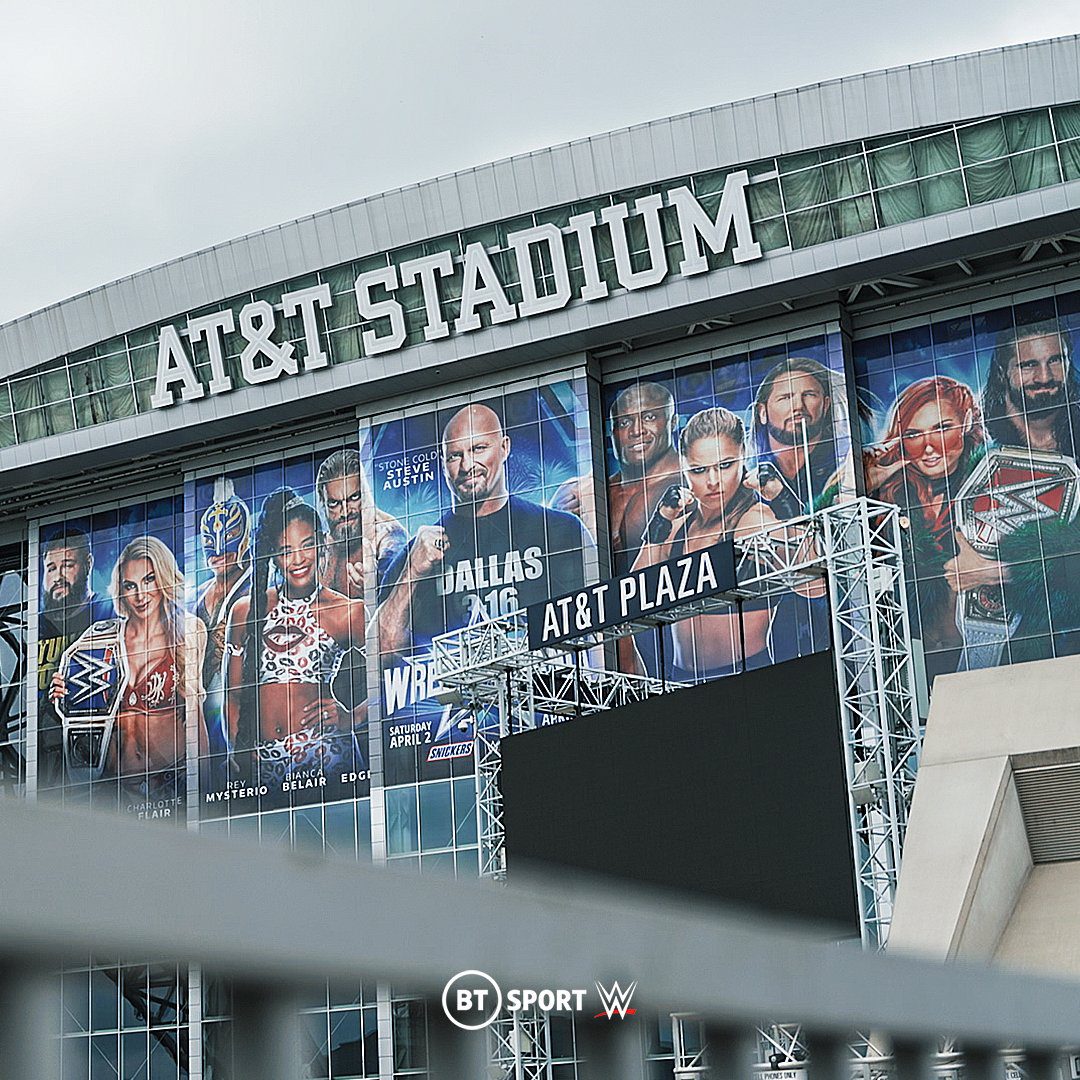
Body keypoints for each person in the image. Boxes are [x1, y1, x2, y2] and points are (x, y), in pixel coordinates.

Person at [375, 403, 595, 656]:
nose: (467, 465)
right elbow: (380, 655)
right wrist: (412, 572)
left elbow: (601, 629)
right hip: (454, 695)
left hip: (550, 689)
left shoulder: (560, 529)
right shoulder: (415, 555)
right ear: (443, 461)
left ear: (504, 447)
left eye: (478, 448)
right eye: (455, 455)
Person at [223, 488, 366, 794]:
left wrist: (351, 717)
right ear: (274, 556)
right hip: (263, 763)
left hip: (326, 756)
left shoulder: (346, 612)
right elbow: (234, 696)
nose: (298, 559)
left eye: (306, 546)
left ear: (321, 545)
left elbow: (400, 673)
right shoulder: (245, 611)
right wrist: (238, 746)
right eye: (286, 550)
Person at [51, 535, 206, 804]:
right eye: (130, 585)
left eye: (149, 580)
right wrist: (62, 691)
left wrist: (206, 784)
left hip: (169, 783)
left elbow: (194, 716)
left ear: (164, 579)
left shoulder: (188, 632)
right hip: (111, 787)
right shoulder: (97, 639)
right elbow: (74, 714)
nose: (140, 595)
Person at [633, 407, 781, 679]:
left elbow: (814, 587)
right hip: (681, 680)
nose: (713, 482)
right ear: (683, 467)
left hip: (747, 677)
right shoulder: (676, 528)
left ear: (743, 456)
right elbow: (632, 600)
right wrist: (660, 523)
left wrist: (782, 500)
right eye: (699, 470)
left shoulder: (754, 519)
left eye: (725, 465)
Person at [864, 376, 987, 651]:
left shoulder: (987, 481)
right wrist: (858, 484)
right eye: (913, 434)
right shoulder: (892, 492)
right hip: (907, 658)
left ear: (966, 423)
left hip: (984, 652)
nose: (928, 446)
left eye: (942, 428)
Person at [750, 357, 847, 516]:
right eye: (785, 397)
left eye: (809, 395)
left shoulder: (842, 465)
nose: (798, 406)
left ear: (826, 404)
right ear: (762, 412)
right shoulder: (747, 474)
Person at [983, 319, 1080, 457]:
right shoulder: (982, 442)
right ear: (1001, 372)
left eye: (1054, 361)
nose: (1044, 378)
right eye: (1029, 365)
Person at [38, 526, 113, 642]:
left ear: (88, 564)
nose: (57, 577)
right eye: (51, 569)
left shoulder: (110, 610)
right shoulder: (36, 627)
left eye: (67, 566)